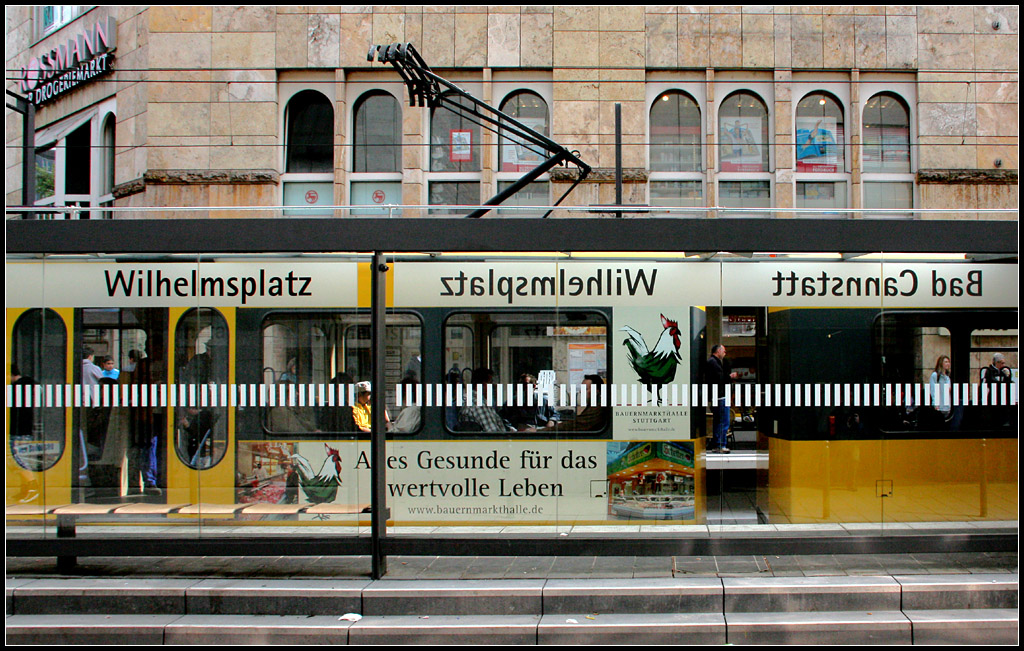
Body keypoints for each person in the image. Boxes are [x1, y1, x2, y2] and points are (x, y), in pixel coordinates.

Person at [458, 368, 514, 433]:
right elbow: (493, 433)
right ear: (483, 385)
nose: (493, 387)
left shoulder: (473, 401)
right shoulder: (479, 405)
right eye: (490, 383)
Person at [705, 344, 737, 453]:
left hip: (716, 396)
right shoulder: (714, 363)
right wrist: (730, 377)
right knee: (723, 421)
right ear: (718, 351)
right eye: (724, 351)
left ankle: (717, 444)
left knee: (718, 421)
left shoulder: (712, 362)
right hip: (720, 396)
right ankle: (721, 444)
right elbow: (719, 379)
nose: (725, 353)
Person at [928, 355, 961, 430]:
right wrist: (935, 403)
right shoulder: (935, 375)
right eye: (946, 362)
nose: (948, 364)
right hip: (939, 406)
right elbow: (933, 390)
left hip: (947, 406)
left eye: (948, 362)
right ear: (941, 363)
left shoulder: (948, 377)